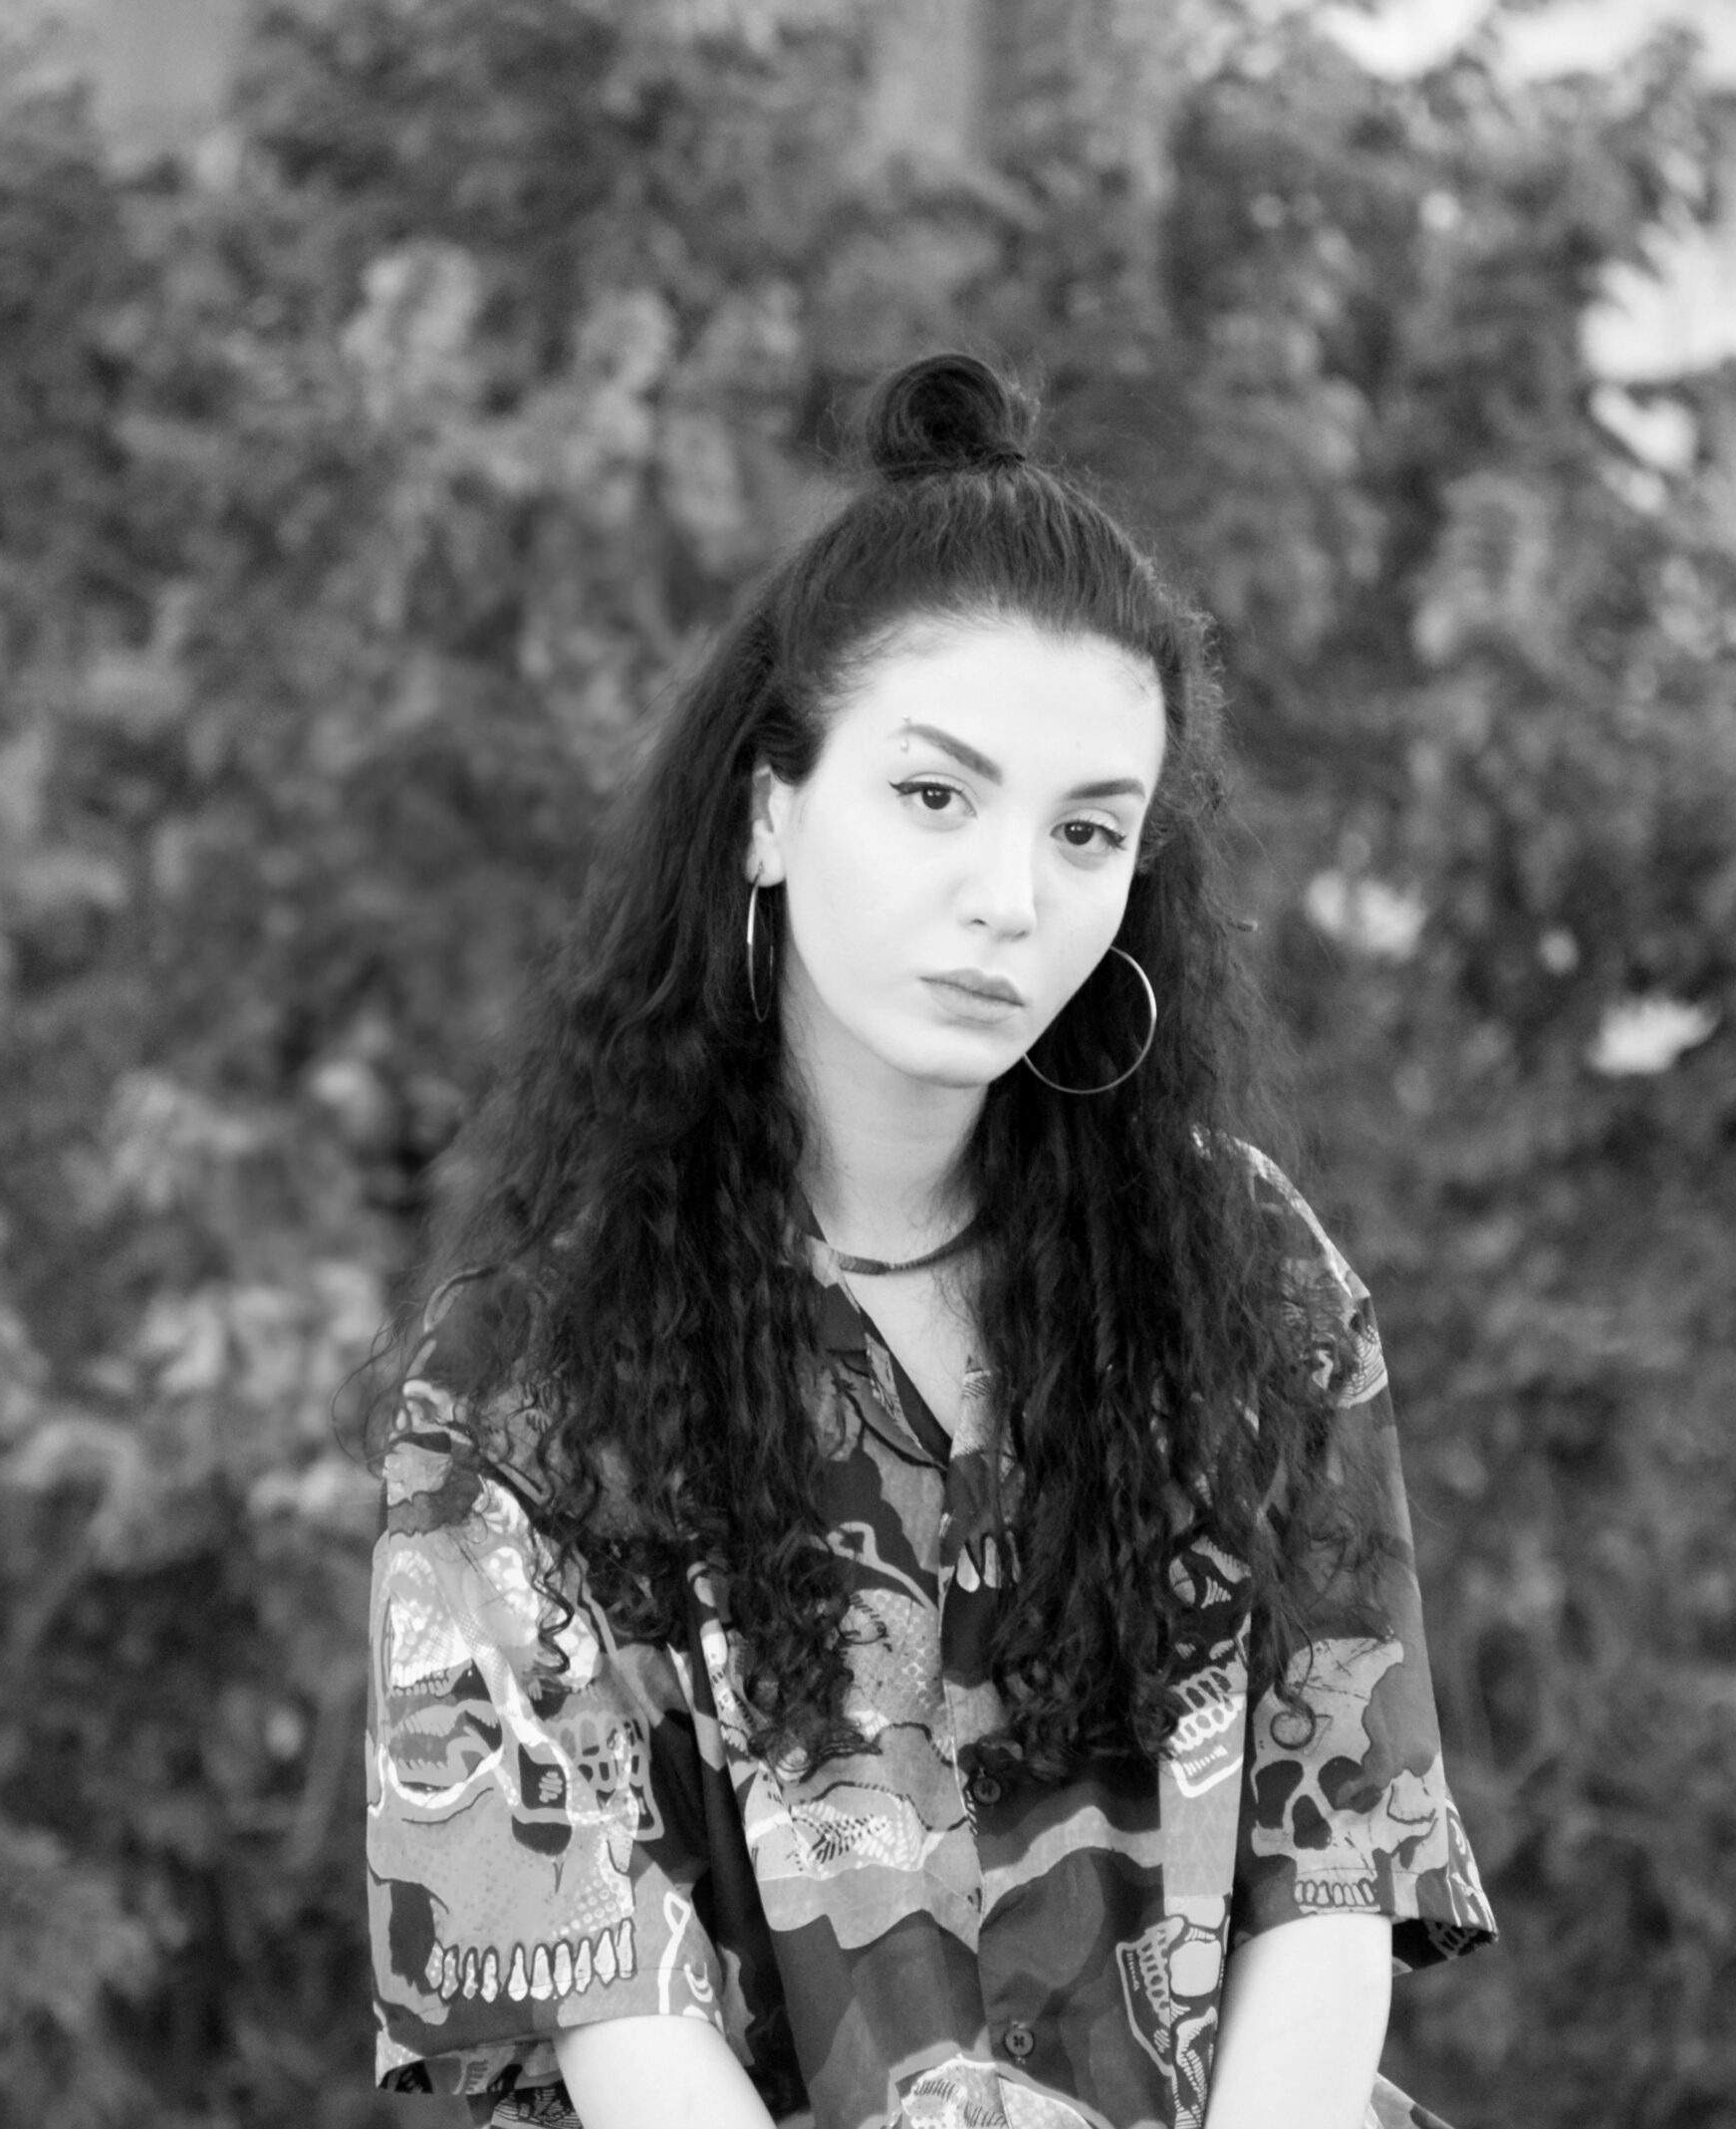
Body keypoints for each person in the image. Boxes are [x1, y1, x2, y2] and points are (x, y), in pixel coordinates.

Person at [362, 352, 1496, 2129]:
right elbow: (613, 2014)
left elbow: (1334, 1872)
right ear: (769, 809)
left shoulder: (1250, 1285)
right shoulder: (526, 1387)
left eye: (1088, 831)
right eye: (936, 795)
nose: (1009, 898)